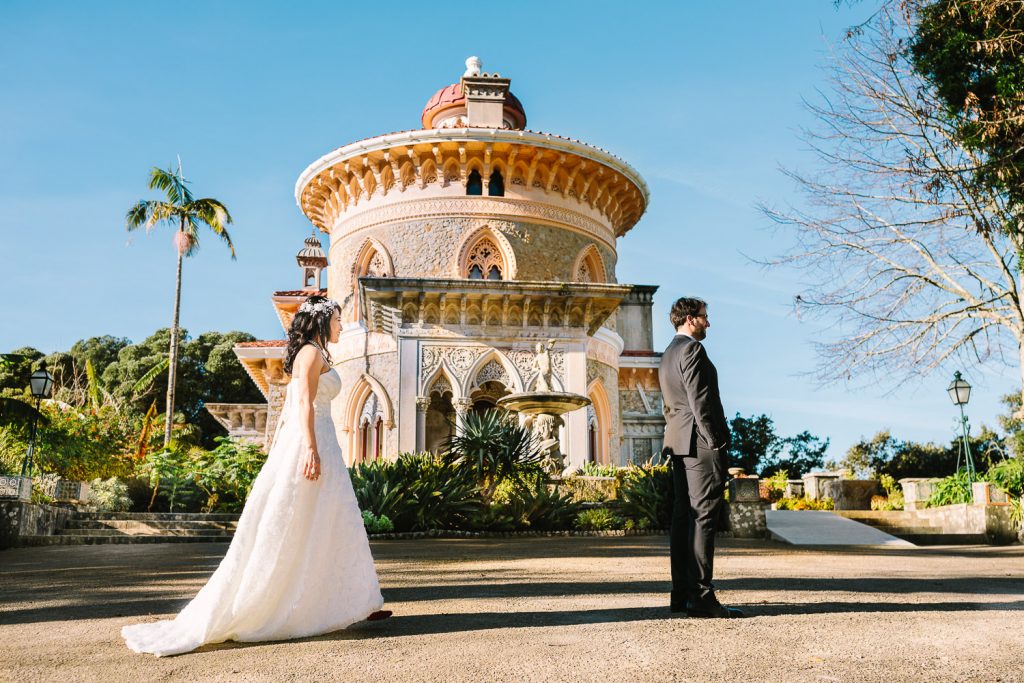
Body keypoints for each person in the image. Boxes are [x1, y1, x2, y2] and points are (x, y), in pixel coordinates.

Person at [122, 295, 391, 656]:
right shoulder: (310, 354)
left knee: (334, 518)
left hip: (324, 440)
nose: (341, 326)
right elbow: (302, 403)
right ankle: (293, 603)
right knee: (300, 519)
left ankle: (355, 601)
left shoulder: (318, 354)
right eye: (337, 320)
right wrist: (310, 448)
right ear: (322, 322)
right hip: (313, 440)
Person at [658, 296, 742, 618]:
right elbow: (700, 402)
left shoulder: (668, 354)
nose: (709, 322)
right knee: (704, 517)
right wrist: (716, 442)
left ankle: (682, 595)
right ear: (690, 318)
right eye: (705, 316)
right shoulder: (692, 350)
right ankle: (702, 597)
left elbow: (672, 406)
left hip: (678, 443)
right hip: (699, 444)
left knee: (684, 519)